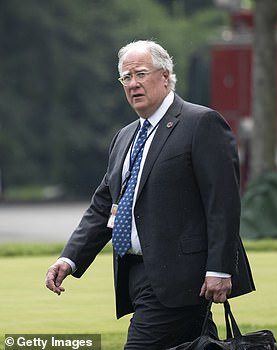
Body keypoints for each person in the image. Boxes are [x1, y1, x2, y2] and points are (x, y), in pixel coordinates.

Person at [46, 40, 255, 349]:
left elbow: (222, 204)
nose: (133, 84)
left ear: (166, 75)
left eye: (141, 74)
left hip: (185, 279)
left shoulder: (201, 124)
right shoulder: (125, 136)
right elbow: (105, 204)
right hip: (138, 276)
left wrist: (220, 269)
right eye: (126, 78)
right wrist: (71, 258)